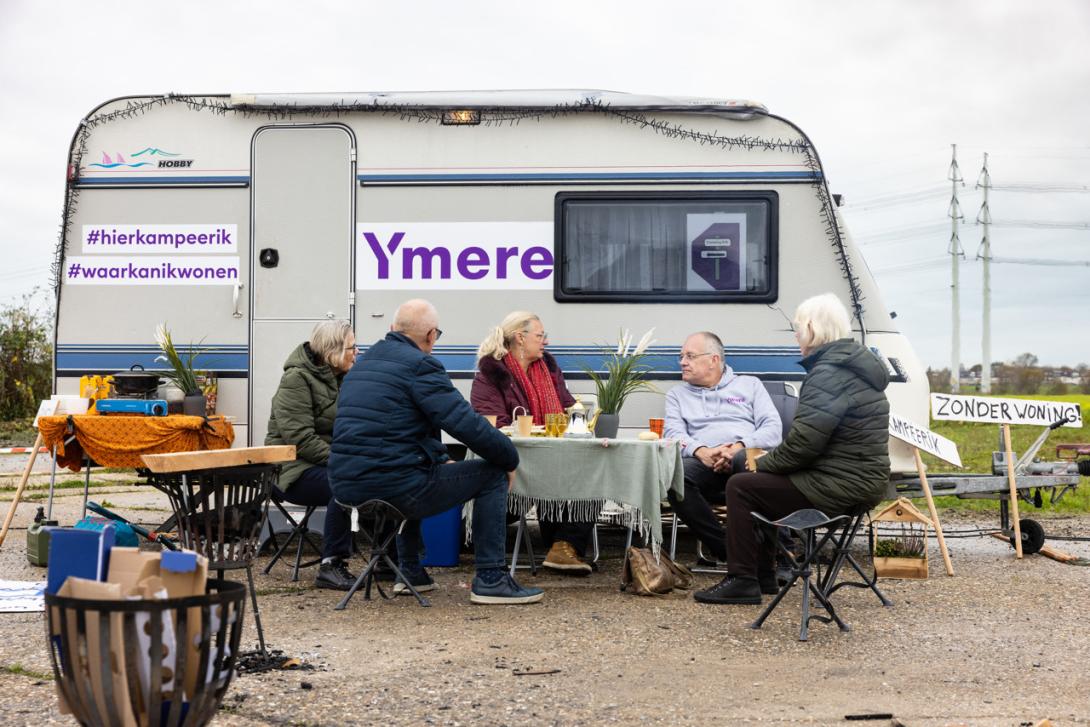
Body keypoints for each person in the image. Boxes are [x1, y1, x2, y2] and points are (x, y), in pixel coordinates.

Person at [329, 299, 544, 605]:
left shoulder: (361, 365)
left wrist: (439, 456)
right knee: (492, 473)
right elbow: (464, 423)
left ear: (392, 330)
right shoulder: (420, 365)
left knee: (413, 467)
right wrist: (508, 456)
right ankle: (491, 578)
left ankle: (410, 572)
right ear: (431, 335)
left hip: (345, 487)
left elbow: (397, 431)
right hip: (394, 487)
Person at [694, 293, 890, 605]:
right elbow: (814, 442)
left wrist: (762, 462)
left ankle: (743, 579)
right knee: (757, 476)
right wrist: (761, 459)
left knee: (743, 485)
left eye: (798, 330)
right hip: (862, 481)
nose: (796, 337)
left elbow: (804, 446)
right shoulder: (852, 368)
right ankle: (765, 576)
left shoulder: (828, 374)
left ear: (812, 330)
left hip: (842, 485)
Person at [470, 311, 592, 575]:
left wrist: (581, 420)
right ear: (520, 338)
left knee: (596, 470)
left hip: (552, 462)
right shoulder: (490, 375)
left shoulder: (548, 369)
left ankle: (564, 547)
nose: (545, 341)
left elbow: (568, 405)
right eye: (540, 336)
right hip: (513, 466)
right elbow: (491, 426)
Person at [664, 331, 782, 564]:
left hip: (744, 459)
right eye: (681, 356)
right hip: (704, 463)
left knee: (749, 461)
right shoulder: (677, 395)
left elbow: (773, 428)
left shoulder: (750, 385)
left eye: (690, 356)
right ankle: (729, 551)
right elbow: (673, 435)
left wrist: (739, 447)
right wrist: (702, 451)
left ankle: (779, 556)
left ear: (713, 360)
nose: (682, 362)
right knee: (676, 477)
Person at [265, 320, 358, 591]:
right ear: (332, 352)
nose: (357, 352)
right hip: (290, 468)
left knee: (379, 476)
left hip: (326, 462)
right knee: (344, 485)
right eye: (352, 347)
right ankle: (331, 565)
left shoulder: (343, 378)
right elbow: (301, 439)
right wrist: (344, 461)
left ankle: (387, 561)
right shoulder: (297, 379)